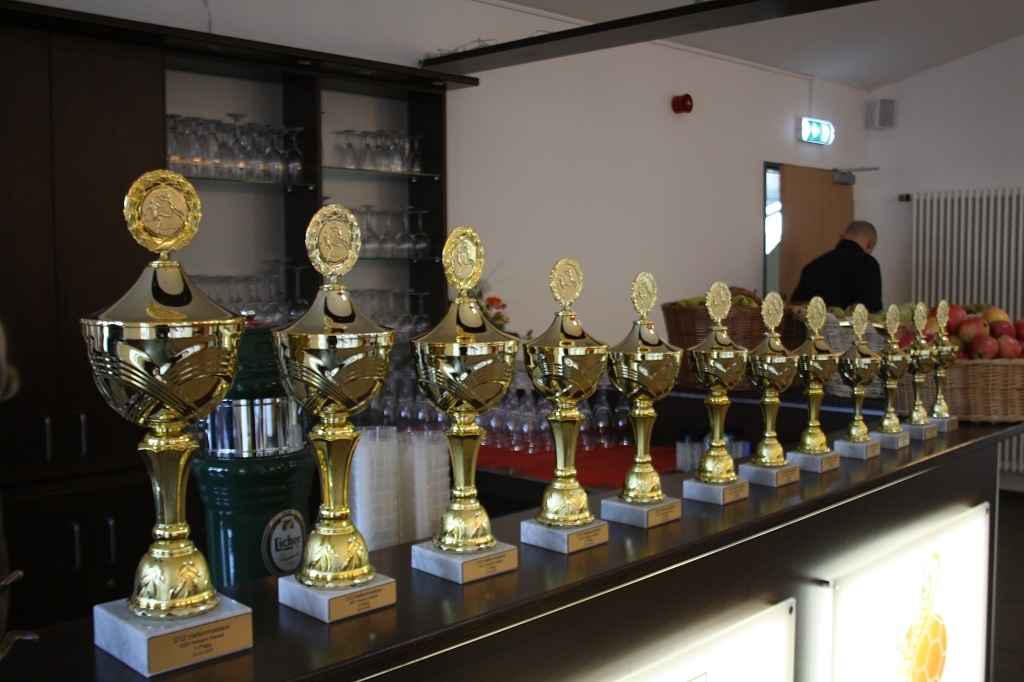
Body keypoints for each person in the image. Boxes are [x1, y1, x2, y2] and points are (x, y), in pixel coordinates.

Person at [790, 220, 883, 312]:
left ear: (841, 237)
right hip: (847, 322)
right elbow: (871, 310)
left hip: (812, 321)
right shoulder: (868, 264)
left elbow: (796, 307)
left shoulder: (812, 266)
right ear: (871, 243)